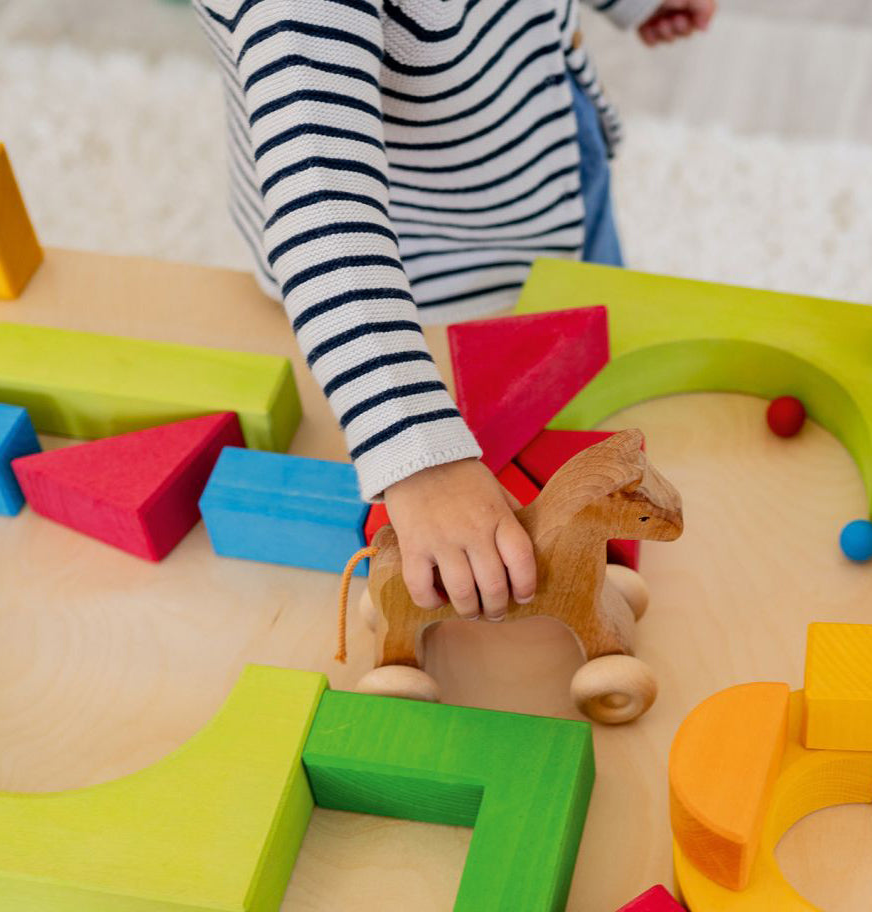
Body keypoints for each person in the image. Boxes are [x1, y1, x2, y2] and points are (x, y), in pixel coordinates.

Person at [195, 0, 715, 619]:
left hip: (542, 131)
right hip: (424, 271)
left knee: (592, 335)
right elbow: (323, 204)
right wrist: (422, 459)